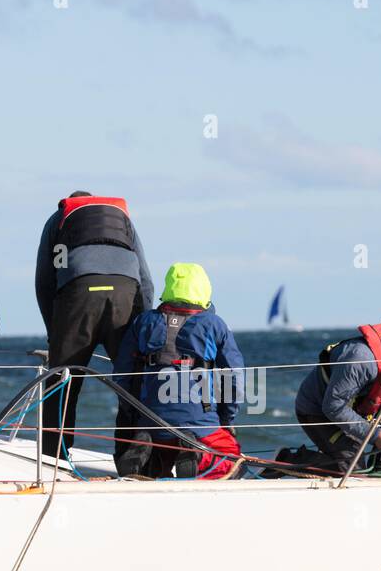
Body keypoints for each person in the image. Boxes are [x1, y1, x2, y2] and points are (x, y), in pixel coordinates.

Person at [34, 191, 154, 457]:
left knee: (62, 378)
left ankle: (55, 457)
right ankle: (132, 460)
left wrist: (54, 333)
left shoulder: (58, 220)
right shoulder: (122, 220)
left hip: (79, 291)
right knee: (131, 380)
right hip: (125, 291)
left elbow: (44, 280)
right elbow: (145, 278)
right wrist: (144, 328)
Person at [113, 263, 245, 479]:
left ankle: (147, 456)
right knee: (232, 463)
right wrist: (226, 420)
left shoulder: (143, 321)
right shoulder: (214, 324)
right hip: (199, 421)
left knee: (158, 456)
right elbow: (234, 377)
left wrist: (135, 413)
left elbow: (121, 375)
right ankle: (197, 457)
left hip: (151, 420)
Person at [291, 319, 381, 475]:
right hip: (317, 410)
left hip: (357, 409)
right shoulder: (360, 359)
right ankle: (289, 460)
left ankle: (380, 469)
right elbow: (333, 406)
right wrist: (375, 435)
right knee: (354, 472)